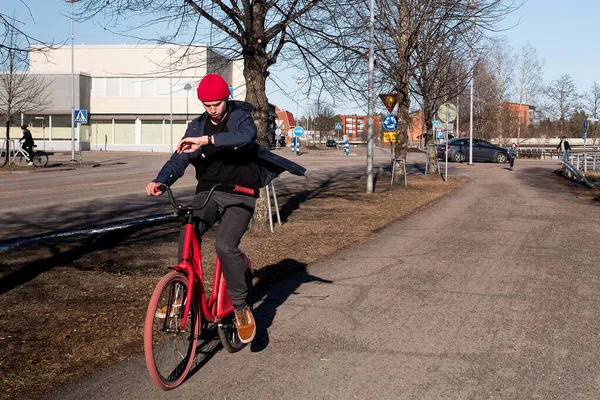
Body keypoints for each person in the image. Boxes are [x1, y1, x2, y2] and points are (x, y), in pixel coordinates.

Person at [146, 74, 305, 344]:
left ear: (226, 99)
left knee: (224, 245)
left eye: (216, 103)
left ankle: (242, 308)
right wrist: (161, 180)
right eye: (207, 105)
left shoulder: (239, 118)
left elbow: (245, 138)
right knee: (188, 230)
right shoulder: (196, 126)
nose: (212, 110)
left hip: (240, 195)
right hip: (208, 193)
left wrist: (206, 141)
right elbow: (179, 159)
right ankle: (181, 296)